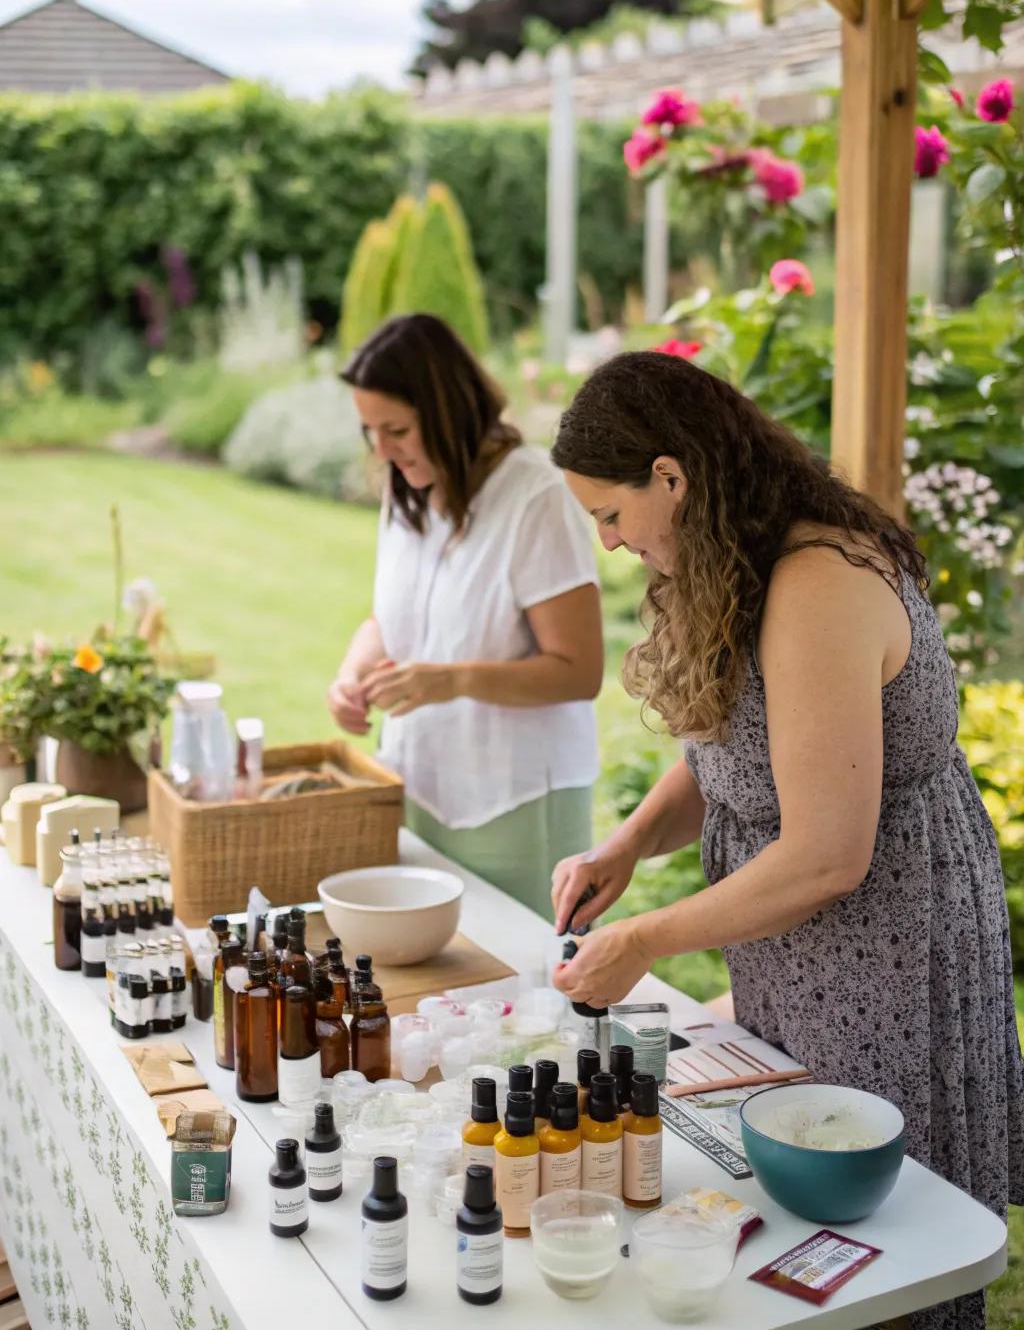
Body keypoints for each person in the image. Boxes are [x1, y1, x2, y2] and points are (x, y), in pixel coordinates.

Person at [549, 350, 1023, 1330]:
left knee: (883, 1258)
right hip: (797, 954)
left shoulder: (814, 584)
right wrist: (627, 848)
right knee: (800, 1237)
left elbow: (823, 855)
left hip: (884, 949)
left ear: (672, 478)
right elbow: (729, 760)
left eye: (610, 515)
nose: (609, 542)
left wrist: (639, 941)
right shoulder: (727, 558)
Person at [328, 314, 602, 919]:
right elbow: (388, 622)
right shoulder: (407, 492)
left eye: (396, 428)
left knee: (534, 998)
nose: (381, 450)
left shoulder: (535, 496)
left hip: (514, 805)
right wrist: (352, 674)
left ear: (449, 410)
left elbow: (579, 671)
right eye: (369, 431)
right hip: (419, 790)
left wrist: (449, 680)